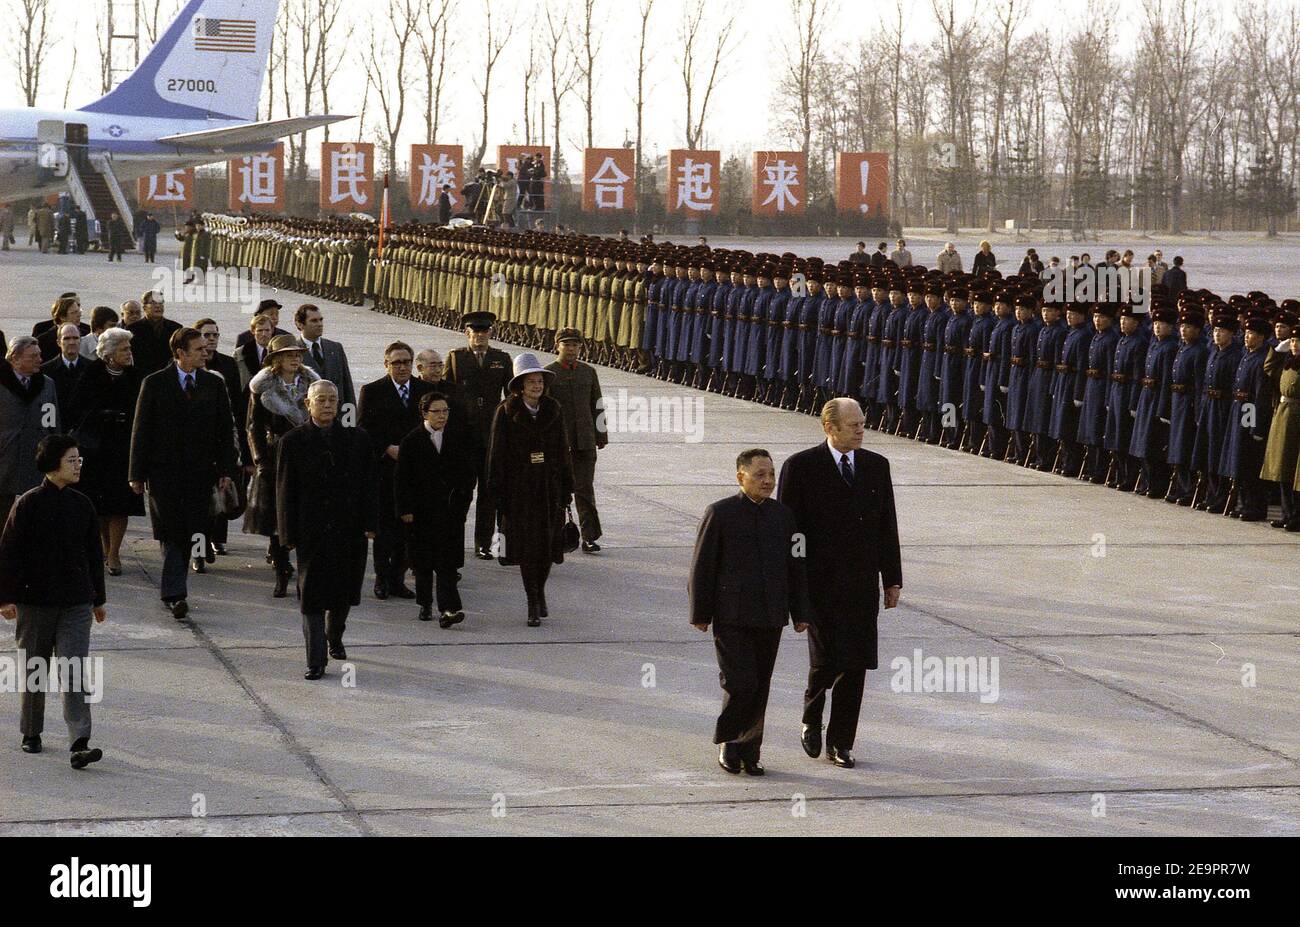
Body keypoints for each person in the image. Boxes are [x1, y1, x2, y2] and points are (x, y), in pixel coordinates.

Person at [777, 398, 902, 769]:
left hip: (861, 584)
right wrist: (794, 585)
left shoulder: (877, 467)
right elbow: (791, 533)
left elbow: (887, 526)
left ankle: (841, 742)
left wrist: (891, 579)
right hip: (818, 584)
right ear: (829, 428)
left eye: (863, 424)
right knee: (826, 659)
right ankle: (811, 718)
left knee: (857, 663)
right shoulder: (800, 467)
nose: (861, 430)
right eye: (853, 426)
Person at [689, 448, 809, 776]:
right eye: (759, 474)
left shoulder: (785, 516)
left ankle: (751, 749)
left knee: (761, 685)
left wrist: (801, 611)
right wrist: (700, 611)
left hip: (771, 615)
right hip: (732, 615)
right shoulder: (719, 513)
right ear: (740, 476)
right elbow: (702, 566)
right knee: (740, 682)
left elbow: (797, 565)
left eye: (771, 474)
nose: (768, 481)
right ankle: (729, 740)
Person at [0, 435, 106, 768]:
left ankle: (79, 740)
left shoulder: (82, 504)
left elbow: (93, 555)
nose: (78, 466)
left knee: (73, 668)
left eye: (79, 460)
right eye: (71, 460)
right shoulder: (28, 504)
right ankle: (31, 732)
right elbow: (8, 553)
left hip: (75, 602)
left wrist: (98, 599)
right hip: (35, 603)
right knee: (35, 669)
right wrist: (5, 598)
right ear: (52, 465)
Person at [128, 327, 238, 620]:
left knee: (189, 530)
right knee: (173, 530)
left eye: (206, 348)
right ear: (180, 353)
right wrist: (135, 474)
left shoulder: (213, 384)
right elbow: (141, 431)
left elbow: (225, 430)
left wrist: (227, 469)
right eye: (199, 349)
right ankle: (175, 594)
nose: (206, 352)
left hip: (201, 474)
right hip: (164, 474)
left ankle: (173, 588)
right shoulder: (155, 383)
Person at [276, 380, 375, 679]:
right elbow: (285, 490)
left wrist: (371, 523)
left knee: (344, 591)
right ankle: (315, 659)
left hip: (350, 529)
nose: (328, 405)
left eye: (333, 399)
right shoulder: (293, 441)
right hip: (312, 530)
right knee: (312, 595)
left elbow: (370, 485)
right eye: (321, 399)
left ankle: (335, 635)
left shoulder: (358, 439)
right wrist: (287, 533)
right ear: (308, 404)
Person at [485, 353, 574, 627]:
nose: (537, 385)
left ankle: (541, 589)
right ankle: (532, 600)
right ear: (520, 386)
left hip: (549, 487)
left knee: (547, 548)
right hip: (519, 490)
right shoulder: (506, 411)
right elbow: (496, 454)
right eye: (531, 381)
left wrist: (566, 488)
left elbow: (563, 450)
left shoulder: (553, 409)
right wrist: (497, 492)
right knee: (528, 549)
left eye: (540, 381)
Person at [357, 341, 432, 599]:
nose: (402, 367)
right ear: (386, 364)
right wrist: (387, 447)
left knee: (407, 529)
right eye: (396, 362)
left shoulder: (425, 390)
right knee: (384, 529)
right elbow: (364, 428)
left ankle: (398, 578)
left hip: (414, 471)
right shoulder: (373, 390)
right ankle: (381, 578)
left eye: (407, 362)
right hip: (386, 470)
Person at [65, 328, 143, 575]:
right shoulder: (91, 373)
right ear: (109, 354)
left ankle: (114, 554)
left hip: (123, 450)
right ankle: (104, 547)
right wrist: (101, 415)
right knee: (99, 505)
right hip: (97, 450)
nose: (129, 353)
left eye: (129, 348)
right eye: (124, 349)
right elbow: (76, 410)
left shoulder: (135, 376)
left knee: (120, 504)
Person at [245, 335, 318, 598]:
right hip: (277, 454)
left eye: (298, 354)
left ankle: (305, 569)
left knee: (307, 512)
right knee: (278, 515)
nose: (295, 358)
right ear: (276, 360)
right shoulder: (263, 388)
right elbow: (253, 427)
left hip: (308, 452)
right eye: (288, 355)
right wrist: (260, 460)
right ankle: (281, 568)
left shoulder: (312, 384)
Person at [397, 391, 475, 625]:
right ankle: (425, 604)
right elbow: (401, 479)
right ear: (424, 413)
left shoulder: (457, 437)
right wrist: (405, 510)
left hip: (450, 512)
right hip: (421, 514)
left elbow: (468, 475)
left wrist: (462, 505)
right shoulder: (412, 440)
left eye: (445, 411)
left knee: (447, 564)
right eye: (436, 411)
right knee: (423, 563)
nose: (442, 416)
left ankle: (449, 610)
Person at [445, 311, 512, 560]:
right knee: (461, 491)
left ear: (491, 333)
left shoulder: (501, 359)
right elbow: (445, 392)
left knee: (489, 492)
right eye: (476, 333)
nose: (480, 337)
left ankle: (484, 543)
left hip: (492, 435)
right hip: (464, 436)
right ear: (467, 334)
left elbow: (511, 393)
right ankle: (452, 541)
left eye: (485, 332)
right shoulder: (455, 359)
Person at [545, 328, 607, 553]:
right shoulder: (548, 373)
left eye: (575, 345)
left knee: (585, 491)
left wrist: (601, 435)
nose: (571, 349)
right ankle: (557, 536)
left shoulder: (588, 372)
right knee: (558, 492)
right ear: (557, 346)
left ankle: (589, 536)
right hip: (559, 443)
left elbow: (597, 405)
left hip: (585, 442)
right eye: (566, 344)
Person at [1, 336, 60, 521]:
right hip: (5, 459)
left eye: (39, 355)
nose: (40, 360)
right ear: (15, 358)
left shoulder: (46, 384)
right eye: (33, 356)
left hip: (35, 459)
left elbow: (51, 422)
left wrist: (54, 451)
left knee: (34, 512)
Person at [1260, 327, 1300, 530]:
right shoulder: (1288, 363)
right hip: (1283, 417)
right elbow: (1268, 369)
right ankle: (1287, 513)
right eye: (1292, 340)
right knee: (1282, 469)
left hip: (1296, 419)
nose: (1294, 344)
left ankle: (1296, 515)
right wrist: (1277, 350)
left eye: (1297, 340)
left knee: (1295, 472)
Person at [294, 304, 356, 411]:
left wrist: (350, 423)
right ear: (300, 324)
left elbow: (347, 388)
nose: (320, 324)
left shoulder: (335, 348)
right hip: (308, 420)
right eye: (314, 321)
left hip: (336, 419)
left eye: (321, 320)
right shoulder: (293, 351)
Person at [125, 291, 182, 375]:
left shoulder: (175, 328)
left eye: (160, 303)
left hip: (170, 376)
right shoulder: (133, 329)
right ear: (144, 308)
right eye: (153, 303)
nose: (158, 306)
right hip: (141, 376)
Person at [40, 323, 87, 412]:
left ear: (80, 340)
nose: (72, 342)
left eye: (75, 338)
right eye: (67, 338)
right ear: (58, 342)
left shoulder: (92, 368)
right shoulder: (45, 371)